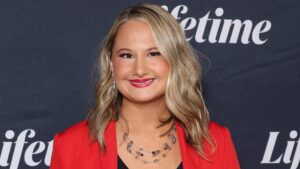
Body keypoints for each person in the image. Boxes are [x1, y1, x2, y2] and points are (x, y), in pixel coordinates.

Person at [50, 3, 240, 169]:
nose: (139, 69)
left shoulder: (215, 142)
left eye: (154, 53)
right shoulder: (71, 146)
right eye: (126, 55)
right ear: (110, 64)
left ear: (175, 60)